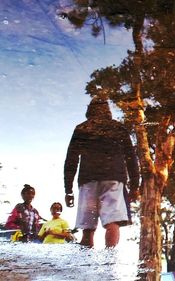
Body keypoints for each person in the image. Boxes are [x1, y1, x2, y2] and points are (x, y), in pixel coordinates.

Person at [64, 97, 139, 248]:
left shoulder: (82, 129)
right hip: (114, 178)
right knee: (112, 221)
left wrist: (68, 190)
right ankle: (109, 262)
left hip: (88, 179)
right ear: (108, 110)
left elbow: (71, 160)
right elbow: (131, 157)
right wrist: (135, 185)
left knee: (88, 227)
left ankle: (86, 263)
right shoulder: (118, 128)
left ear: (89, 110)